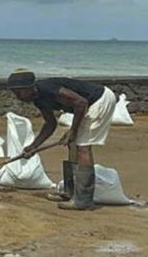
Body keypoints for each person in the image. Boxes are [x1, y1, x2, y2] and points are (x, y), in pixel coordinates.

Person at [6, 69, 116, 211]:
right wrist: (34, 146)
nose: (18, 97)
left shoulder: (47, 88)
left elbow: (81, 103)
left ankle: (83, 200)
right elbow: (50, 123)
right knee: (73, 145)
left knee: (83, 147)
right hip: (86, 105)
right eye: (15, 93)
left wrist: (73, 131)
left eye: (19, 92)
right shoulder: (38, 100)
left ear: (30, 87)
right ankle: (70, 193)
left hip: (99, 100)